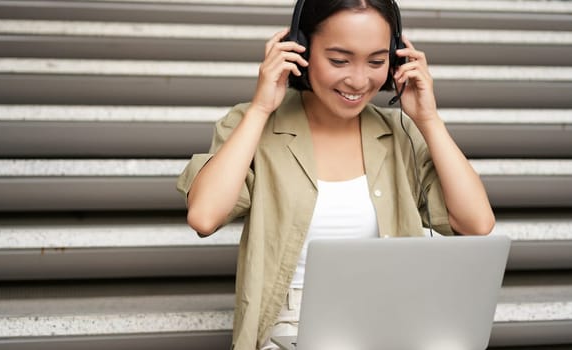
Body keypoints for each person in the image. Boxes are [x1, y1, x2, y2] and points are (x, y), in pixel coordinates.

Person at [177, 0, 495, 348]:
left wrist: (428, 120)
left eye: (376, 61)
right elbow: (204, 216)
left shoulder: (401, 133)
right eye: (339, 60)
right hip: (293, 324)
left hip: (391, 317)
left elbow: (476, 223)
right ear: (301, 50)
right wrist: (261, 107)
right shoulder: (253, 125)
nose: (359, 80)